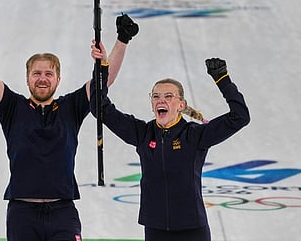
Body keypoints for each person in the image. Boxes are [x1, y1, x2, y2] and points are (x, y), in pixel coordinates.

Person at [0, 11, 139, 241]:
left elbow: (103, 82)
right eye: (36, 73)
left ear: (58, 79)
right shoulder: (12, 106)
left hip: (62, 213)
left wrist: (121, 41)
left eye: (49, 73)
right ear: (27, 78)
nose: (42, 78)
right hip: (22, 213)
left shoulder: (71, 107)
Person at [90, 42, 250, 241]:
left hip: (193, 229)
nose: (161, 100)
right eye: (156, 96)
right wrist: (101, 67)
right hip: (156, 229)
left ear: (181, 105)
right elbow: (100, 108)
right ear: (151, 104)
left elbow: (240, 117)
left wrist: (223, 80)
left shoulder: (195, 135)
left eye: (168, 96)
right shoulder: (143, 133)